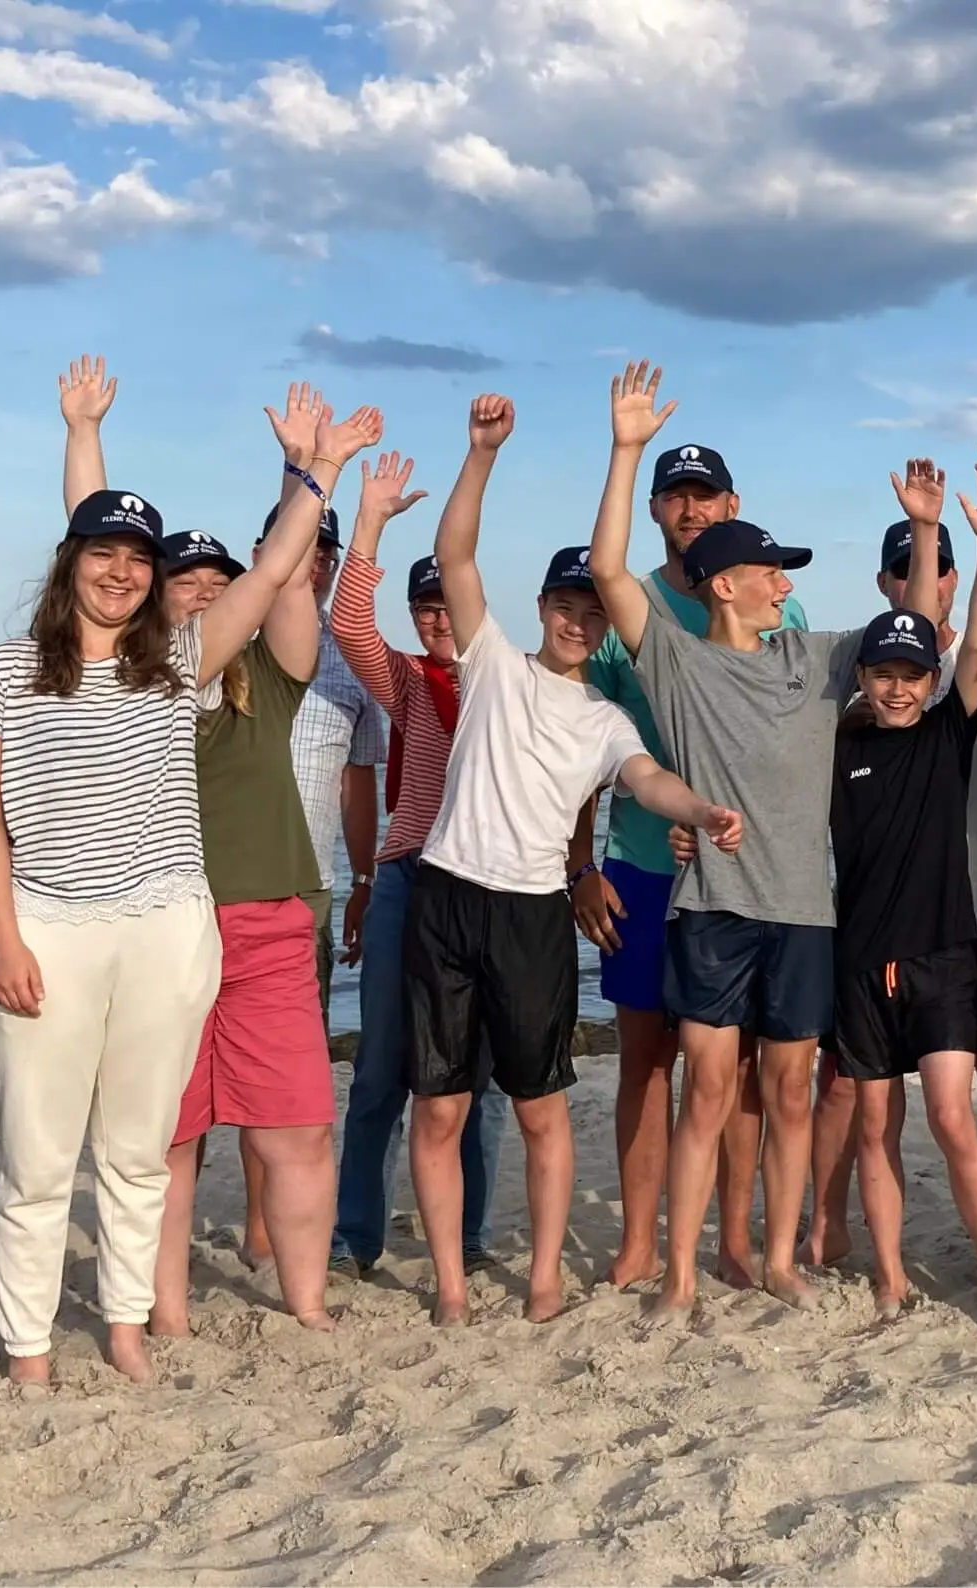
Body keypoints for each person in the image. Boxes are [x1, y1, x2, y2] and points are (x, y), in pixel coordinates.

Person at [0, 382, 379, 1384]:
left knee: (142, 1148)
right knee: (40, 1156)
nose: (120, 572)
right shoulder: (6, 671)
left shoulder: (179, 667)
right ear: (72, 565)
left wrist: (318, 473)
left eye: (136, 561)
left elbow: (279, 566)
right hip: (49, 928)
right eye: (103, 555)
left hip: (165, 928)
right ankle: (26, 1350)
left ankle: (126, 1329)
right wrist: (6, 940)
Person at [588, 363, 938, 1316]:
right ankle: (678, 1272)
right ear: (726, 585)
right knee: (703, 1093)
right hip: (712, 910)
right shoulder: (677, 661)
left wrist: (925, 532)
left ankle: (778, 1259)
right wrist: (625, 450)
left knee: (787, 1096)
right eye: (773, 570)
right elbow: (610, 572)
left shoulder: (819, 661)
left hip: (803, 914)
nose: (786, 583)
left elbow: (916, 630)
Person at [404, 394, 742, 1324]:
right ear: (543, 608)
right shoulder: (490, 665)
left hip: (529, 913)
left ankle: (545, 1277)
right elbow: (459, 556)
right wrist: (479, 457)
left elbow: (645, 780)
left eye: (592, 613)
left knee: (541, 1106)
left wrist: (702, 807)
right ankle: (446, 1286)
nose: (578, 624)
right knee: (437, 1108)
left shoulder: (604, 717)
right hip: (447, 896)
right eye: (565, 607)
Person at [57, 362, 344, 1340]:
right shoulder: (131, 680)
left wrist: (300, 472)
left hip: (266, 923)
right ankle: (167, 1314)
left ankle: (305, 1303)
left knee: (297, 1127)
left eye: (219, 583)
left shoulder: (275, 671)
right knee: (162, 1140)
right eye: (185, 580)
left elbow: (288, 572)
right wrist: (84, 430)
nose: (204, 593)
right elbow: (93, 541)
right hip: (158, 931)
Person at [572, 431, 809, 1292]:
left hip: (745, 873)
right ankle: (640, 1240)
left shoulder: (773, 605)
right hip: (641, 861)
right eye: (675, 496)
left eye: (705, 494)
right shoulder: (631, 614)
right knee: (645, 1058)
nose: (690, 508)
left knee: (740, 1067)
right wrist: (579, 867)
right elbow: (582, 754)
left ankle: (736, 1241)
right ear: (656, 511)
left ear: (730, 506)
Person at [826, 450, 977, 1317]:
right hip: (863, 959)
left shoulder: (949, 734)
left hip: (945, 954)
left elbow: (971, 639)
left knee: (950, 1116)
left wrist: (973, 544)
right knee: (874, 1126)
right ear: (862, 678)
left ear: (930, 680)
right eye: (883, 674)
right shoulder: (839, 744)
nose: (899, 687)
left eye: (912, 675)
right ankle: (892, 1277)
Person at [328, 503, 504, 1276]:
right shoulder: (405, 682)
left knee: (481, 1079)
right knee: (380, 1073)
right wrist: (367, 526)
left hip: (490, 887)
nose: (437, 619)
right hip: (410, 876)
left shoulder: (510, 682)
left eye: (447, 604)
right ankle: (354, 1235)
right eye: (425, 607)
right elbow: (347, 624)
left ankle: (465, 1235)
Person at [233, 502, 385, 1272]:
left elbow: (360, 784)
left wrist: (363, 879)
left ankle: (267, 1227)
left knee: (283, 1069)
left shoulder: (350, 661)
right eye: (303, 548)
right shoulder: (226, 635)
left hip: (309, 886)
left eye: (327, 554)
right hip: (214, 881)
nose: (314, 563)